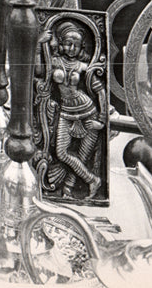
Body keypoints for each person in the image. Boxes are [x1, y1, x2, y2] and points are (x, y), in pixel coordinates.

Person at [37, 20, 105, 199]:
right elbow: (37, 71)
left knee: (82, 157)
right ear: (60, 43)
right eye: (68, 43)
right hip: (66, 112)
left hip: (88, 112)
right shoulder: (53, 62)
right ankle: (92, 180)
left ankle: (68, 191)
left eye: (76, 45)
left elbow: (100, 90)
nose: (71, 48)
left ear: (81, 46)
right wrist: (39, 44)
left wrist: (102, 119)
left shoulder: (83, 67)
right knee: (61, 152)